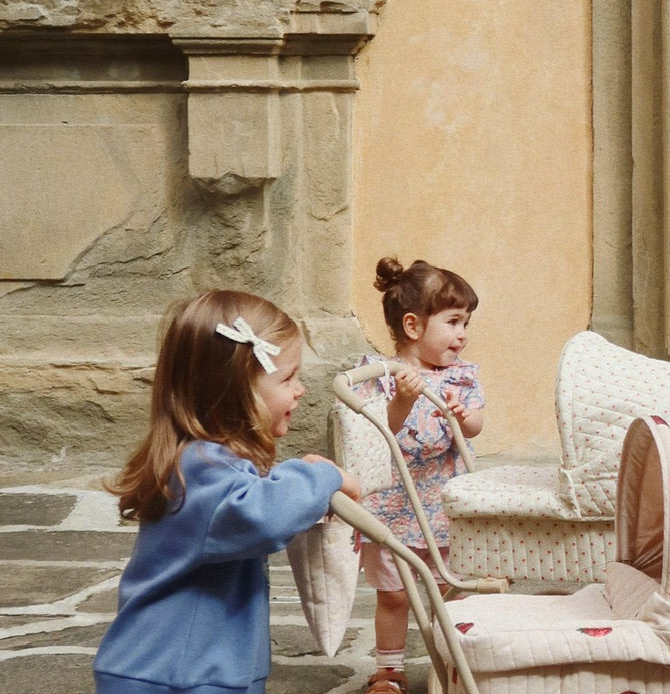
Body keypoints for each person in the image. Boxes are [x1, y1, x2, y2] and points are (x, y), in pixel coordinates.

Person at [93, 290, 361, 694]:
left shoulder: (210, 465)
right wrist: (322, 476)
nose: (301, 389)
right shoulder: (202, 468)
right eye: (287, 377)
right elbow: (263, 516)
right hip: (174, 677)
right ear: (235, 390)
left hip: (196, 669)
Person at [357, 257, 486, 694]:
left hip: (443, 503)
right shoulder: (381, 376)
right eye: (453, 322)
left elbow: (475, 427)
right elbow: (380, 431)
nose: (462, 334)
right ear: (413, 327)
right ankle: (389, 670)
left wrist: (463, 416)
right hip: (395, 504)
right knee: (395, 594)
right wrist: (403, 402)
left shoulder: (462, 375)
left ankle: (454, 660)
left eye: (465, 322)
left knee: (453, 588)